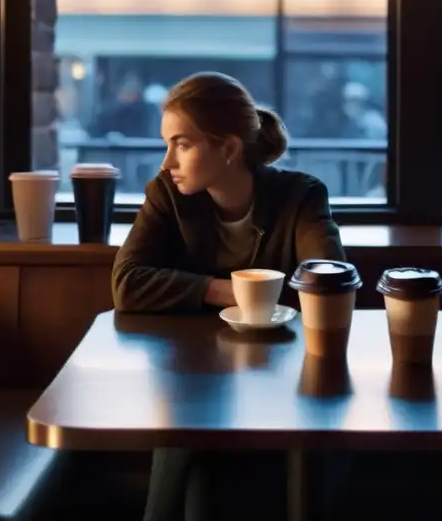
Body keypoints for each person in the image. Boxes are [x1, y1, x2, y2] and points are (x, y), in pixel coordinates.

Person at [111, 71, 347, 521]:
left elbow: (327, 282)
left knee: (211, 451)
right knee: (193, 446)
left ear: (229, 148)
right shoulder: (168, 195)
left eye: (181, 144)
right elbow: (127, 283)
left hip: (285, 375)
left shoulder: (301, 195)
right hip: (195, 374)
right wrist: (233, 292)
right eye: (167, 145)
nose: (167, 162)